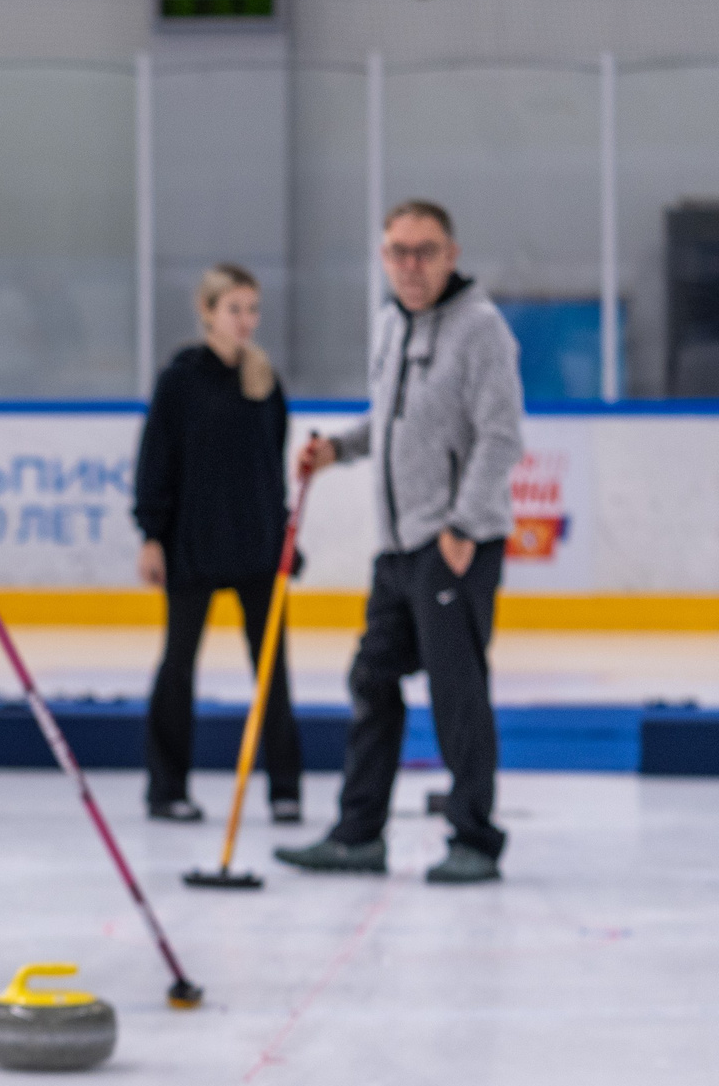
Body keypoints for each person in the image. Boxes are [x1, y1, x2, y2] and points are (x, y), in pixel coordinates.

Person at [281, 199, 521, 884]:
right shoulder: (391, 322)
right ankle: (360, 834)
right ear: (384, 257)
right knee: (372, 679)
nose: (410, 265)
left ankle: (474, 837)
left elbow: (502, 435)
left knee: (457, 694)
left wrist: (464, 526)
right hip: (396, 547)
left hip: (452, 545)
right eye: (398, 252)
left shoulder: (481, 331)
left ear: (451, 254)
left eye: (425, 251)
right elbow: (389, 419)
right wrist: (339, 449)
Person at [134, 263, 303, 825]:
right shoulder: (180, 379)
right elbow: (156, 459)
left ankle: (285, 787)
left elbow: (271, 468)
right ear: (207, 312)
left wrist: (284, 534)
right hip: (194, 545)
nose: (245, 320)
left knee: (272, 666)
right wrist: (152, 534)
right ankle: (167, 788)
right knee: (177, 666)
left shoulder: (265, 381)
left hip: (256, 544)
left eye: (252, 309)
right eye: (234, 309)